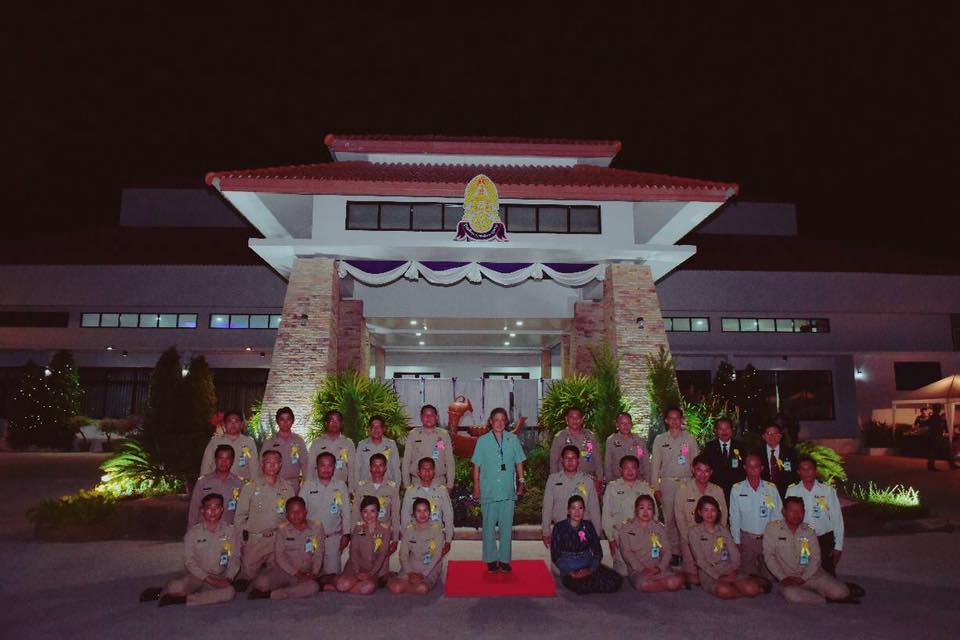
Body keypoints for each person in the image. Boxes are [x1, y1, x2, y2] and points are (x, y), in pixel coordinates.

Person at [140, 492, 240, 607]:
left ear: (222, 510)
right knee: (175, 587)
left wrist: (229, 578)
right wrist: (208, 579)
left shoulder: (230, 531)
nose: (213, 511)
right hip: (197, 576)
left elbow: (235, 558)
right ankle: (162, 592)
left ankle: (184, 599)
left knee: (230, 593)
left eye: (217, 507)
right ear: (202, 510)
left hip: (219, 576)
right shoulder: (193, 533)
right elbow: (190, 562)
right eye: (209, 507)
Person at [763, 497, 857, 604]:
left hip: (811, 575)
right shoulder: (772, 529)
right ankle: (823, 599)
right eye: (792, 511)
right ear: (784, 511)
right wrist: (783, 577)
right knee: (792, 595)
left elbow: (816, 558)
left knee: (842, 592)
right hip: (788, 578)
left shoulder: (809, 531)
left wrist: (804, 578)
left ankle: (830, 590)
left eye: (800, 511)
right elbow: (769, 556)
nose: (796, 514)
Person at [471, 407, 526, 572]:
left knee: (506, 527)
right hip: (489, 490)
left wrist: (522, 481)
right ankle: (490, 559)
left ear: (506, 422)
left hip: (508, 491)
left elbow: (519, 462)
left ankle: (504, 560)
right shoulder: (483, 441)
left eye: (503, 420)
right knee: (488, 526)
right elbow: (476, 465)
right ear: (490, 421)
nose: (499, 423)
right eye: (496, 419)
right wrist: (476, 486)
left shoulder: (513, 439)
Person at [234, 450, 296, 588]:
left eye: (276, 463)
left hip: (277, 539)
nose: (272, 466)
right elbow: (240, 516)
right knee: (246, 577)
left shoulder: (287, 488)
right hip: (256, 539)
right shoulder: (250, 487)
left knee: (277, 576)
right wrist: (241, 541)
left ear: (280, 465)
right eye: (268, 462)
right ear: (262, 464)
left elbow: (291, 516)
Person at [687, 495, 763, 599]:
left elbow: (734, 553)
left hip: (728, 569)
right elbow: (700, 561)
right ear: (700, 512)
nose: (710, 514)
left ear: (717, 512)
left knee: (752, 589)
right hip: (709, 572)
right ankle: (736, 587)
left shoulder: (723, 530)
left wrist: (734, 570)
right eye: (706, 510)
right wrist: (719, 577)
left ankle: (740, 585)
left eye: (713, 510)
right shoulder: (693, 532)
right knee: (724, 591)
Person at [650, 405, 699, 565]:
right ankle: (674, 552)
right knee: (670, 519)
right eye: (670, 418)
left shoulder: (689, 439)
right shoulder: (660, 439)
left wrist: (697, 484)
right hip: (668, 483)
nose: (674, 421)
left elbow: (695, 463)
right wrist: (655, 487)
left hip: (686, 482)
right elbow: (655, 465)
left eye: (677, 418)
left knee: (686, 517)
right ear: (666, 420)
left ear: (681, 420)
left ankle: (688, 551)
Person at [247, 496, 324, 600]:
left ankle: (273, 594)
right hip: (284, 571)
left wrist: (314, 573)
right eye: (292, 512)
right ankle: (284, 588)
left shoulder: (316, 527)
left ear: (306, 512)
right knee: (261, 582)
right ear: (287, 514)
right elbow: (279, 556)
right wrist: (296, 573)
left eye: (299, 511)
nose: (296, 515)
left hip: (306, 572)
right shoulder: (283, 529)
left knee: (313, 587)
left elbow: (318, 553)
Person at [551, 495, 623, 595]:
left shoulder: (588, 526)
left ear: (584, 510)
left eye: (580, 508)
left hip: (587, 563)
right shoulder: (559, 527)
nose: (577, 512)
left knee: (616, 580)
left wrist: (590, 569)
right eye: (573, 508)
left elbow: (597, 551)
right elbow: (555, 555)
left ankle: (591, 578)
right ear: (568, 511)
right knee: (582, 586)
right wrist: (571, 572)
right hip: (569, 566)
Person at [785, 457, 844, 575]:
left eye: (810, 469)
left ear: (815, 471)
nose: (807, 472)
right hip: (803, 539)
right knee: (803, 572)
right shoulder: (793, 490)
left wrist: (838, 546)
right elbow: (788, 518)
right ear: (798, 472)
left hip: (824, 538)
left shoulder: (827, 490)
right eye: (803, 469)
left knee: (828, 574)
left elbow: (837, 519)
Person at [674, 455, 728, 586]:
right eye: (699, 470)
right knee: (695, 577)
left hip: (712, 537)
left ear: (711, 472)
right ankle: (683, 571)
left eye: (706, 471)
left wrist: (718, 538)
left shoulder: (717, 490)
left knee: (715, 572)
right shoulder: (683, 489)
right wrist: (689, 539)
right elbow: (679, 517)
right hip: (689, 538)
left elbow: (723, 515)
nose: (702, 474)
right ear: (693, 470)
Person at [729, 452, 782, 581]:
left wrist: (776, 538)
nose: (753, 469)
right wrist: (737, 541)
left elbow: (777, 515)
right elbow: (734, 516)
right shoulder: (737, 489)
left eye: (756, 466)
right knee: (749, 577)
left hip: (767, 538)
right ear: (745, 468)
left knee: (771, 578)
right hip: (747, 539)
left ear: (762, 468)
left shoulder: (771, 489)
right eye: (750, 466)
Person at [301, 451, 351, 587]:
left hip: (332, 538)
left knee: (332, 577)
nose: (326, 469)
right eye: (322, 465)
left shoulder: (341, 486)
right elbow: (299, 511)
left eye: (330, 466)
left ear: (334, 467)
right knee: (307, 573)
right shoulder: (308, 486)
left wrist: (346, 534)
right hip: (312, 538)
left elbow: (346, 512)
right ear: (316, 467)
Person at [601, 454, 657, 576]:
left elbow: (655, 513)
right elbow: (606, 515)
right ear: (621, 470)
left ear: (638, 470)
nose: (630, 471)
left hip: (642, 535)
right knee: (623, 573)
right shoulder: (612, 487)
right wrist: (610, 539)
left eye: (633, 468)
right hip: (620, 535)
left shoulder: (645, 487)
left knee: (643, 570)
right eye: (627, 468)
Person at [617, 494, 684, 593]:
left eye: (649, 508)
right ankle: (667, 585)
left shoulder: (659, 528)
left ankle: (662, 584)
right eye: (641, 508)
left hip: (659, 568)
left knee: (676, 580)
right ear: (635, 510)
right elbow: (626, 553)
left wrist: (659, 568)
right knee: (643, 584)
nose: (645, 512)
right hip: (638, 570)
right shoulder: (626, 528)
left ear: (653, 512)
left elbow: (667, 551)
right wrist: (642, 569)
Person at [542, 445, 601, 551]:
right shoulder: (553, 480)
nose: (570, 461)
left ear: (578, 461)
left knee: (583, 564)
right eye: (567, 458)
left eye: (573, 458)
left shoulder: (587, 481)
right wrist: (546, 532)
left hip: (583, 530)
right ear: (562, 460)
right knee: (560, 564)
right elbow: (547, 507)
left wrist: (596, 534)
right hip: (560, 529)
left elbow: (594, 509)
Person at [388, 498, 447, 595]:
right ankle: (390, 578)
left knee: (421, 589)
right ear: (414, 514)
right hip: (412, 564)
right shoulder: (409, 530)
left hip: (431, 566)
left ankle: (411, 583)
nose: (422, 514)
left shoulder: (437, 530)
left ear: (430, 512)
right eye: (419, 511)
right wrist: (409, 572)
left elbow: (437, 555)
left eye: (425, 510)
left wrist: (423, 574)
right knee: (396, 589)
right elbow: (403, 554)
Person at [336, 495, 392, 595]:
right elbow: (353, 551)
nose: (369, 515)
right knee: (341, 585)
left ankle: (353, 585)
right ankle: (354, 583)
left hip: (374, 569)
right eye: (365, 511)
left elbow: (382, 555)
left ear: (378, 512)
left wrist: (370, 574)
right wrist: (357, 572)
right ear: (361, 513)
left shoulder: (385, 530)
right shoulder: (358, 528)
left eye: (372, 511)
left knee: (367, 588)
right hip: (356, 566)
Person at [400, 457, 454, 549]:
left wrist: (448, 539)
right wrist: (406, 538)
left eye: (430, 469)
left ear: (434, 472)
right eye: (424, 469)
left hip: (436, 536)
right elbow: (405, 517)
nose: (427, 472)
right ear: (418, 472)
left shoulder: (441, 491)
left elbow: (448, 516)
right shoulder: (410, 492)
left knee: (435, 562)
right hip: (415, 537)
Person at [352, 453, 401, 550]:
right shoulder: (361, 487)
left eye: (381, 465)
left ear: (386, 468)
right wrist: (353, 535)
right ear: (370, 468)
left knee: (382, 562)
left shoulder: (392, 488)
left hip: (384, 534)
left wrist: (395, 539)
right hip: (364, 533)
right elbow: (355, 513)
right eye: (374, 465)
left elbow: (395, 515)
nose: (377, 469)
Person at [188, 444, 244, 528]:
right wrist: (191, 531)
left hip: (228, 531)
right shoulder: (203, 482)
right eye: (220, 458)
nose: (224, 462)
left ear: (232, 461)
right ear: (215, 460)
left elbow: (242, 512)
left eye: (227, 458)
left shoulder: (239, 483)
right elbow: (194, 509)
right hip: (204, 530)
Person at [549, 407, 603, 492]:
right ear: (566, 419)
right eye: (572, 417)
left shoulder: (589, 437)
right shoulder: (560, 437)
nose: (575, 420)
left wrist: (599, 479)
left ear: (582, 419)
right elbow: (553, 462)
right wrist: (555, 482)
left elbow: (597, 459)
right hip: (565, 481)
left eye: (577, 418)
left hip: (587, 480)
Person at [401, 405, 455, 488]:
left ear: (436, 417)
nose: (428, 417)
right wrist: (406, 485)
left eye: (431, 415)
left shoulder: (443, 435)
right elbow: (406, 462)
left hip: (438, 482)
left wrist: (450, 485)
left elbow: (449, 462)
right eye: (425, 415)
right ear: (421, 417)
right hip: (417, 483)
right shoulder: (413, 434)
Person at [200, 410, 258, 482]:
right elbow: (206, 464)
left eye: (236, 421)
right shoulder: (215, 441)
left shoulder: (249, 442)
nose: (233, 424)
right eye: (230, 421)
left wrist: (254, 486)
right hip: (218, 483)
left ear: (242, 424)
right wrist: (203, 483)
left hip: (241, 485)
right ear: (224, 424)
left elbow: (254, 467)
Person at [261, 406, 308, 489]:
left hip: (293, 485)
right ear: (277, 421)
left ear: (292, 421)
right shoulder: (269, 442)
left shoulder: (299, 441)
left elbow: (305, 464)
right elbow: (261, 465)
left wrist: (307, 484)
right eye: (282, 419)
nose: (285, 422)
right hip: (273, 484)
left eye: (288, 419)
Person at [307, 410, 356, 487]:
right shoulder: (316, 443)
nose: (334, 423)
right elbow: (310, 467)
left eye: (337, 420)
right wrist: (308, 487)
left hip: (341, 487)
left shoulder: (348, 443)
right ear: (326, 423)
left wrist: (351, 489)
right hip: (319, 487)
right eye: (331, 420)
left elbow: (352, 469)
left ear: (342, 424)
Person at [703, 417, 746, 501]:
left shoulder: (740, 447)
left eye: (727, 428)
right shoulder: (710, 447)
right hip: (715, 489)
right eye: (721, 429)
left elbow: (744, 468)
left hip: (736, 489)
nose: (724, 432)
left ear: (732, 430)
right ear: (715, 430)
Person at [604, 412, 650, 483]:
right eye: (622, 423)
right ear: (617, 425)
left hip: (638, 480)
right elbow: (608, 463)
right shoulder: (611, 440)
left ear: (632, 424)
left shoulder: (639, 440)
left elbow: (645, 461)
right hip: (617, 480)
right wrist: (609, 482)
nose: (625, 426)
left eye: (628, 423)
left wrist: (648, 480)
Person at [354, 415, 401, 484]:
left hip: (387, 486)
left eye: (379, 427)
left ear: (383, 429)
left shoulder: (391, 444)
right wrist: (356, 487)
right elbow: (357, 468)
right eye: (373, 427)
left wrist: (397, 487)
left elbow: (396, 468)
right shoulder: (362, 445)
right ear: (369, 429)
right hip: (366, 486)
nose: (376, 429)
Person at [758, 423, 799, 496]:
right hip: (763, 491)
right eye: (769, 433)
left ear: (780, 436)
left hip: (785, 491)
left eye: (775, 433)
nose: (772, 436)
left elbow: (794, 473)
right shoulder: (757, 453)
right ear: (763, 436)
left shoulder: (790, 453)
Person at [925, 404, 958, 471]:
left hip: (936, 436)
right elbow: (934, 427)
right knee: (940, 450)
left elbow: (928, 424)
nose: (939, 410)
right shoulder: (935, 417)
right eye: (938, 408)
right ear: (936, 409)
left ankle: (951, 464)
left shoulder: (934, 417)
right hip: (936, 437)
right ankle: (951, 464)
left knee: (942, 450)